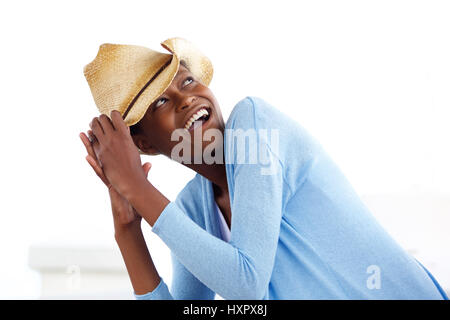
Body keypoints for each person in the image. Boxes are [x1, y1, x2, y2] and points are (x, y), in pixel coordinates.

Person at [80, 38, 448, 300]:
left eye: (187, 80)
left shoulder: (254, 125)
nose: (186, 97)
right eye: (160, 101)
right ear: (142, 144)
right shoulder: (193, 210)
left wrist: (138, 190)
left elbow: (246, 285)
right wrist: (129, 232)